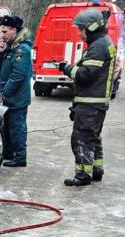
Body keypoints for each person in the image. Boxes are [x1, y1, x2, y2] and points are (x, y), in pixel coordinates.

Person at [59, 9, 115, 186]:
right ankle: (96, 169)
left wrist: (66, 68)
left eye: (81, 30)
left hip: (91, 103)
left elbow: (84, 75)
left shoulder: (98, 46)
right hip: (96, 103)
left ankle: (83, 175)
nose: (79, 34)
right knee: (93, 138)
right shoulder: (102, 43)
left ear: (91, 28)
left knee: (81, 139)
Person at [0, 15, 33, 167]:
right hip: (9, 97)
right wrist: (0, 54)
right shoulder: (10, 47)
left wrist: (4, 92)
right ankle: (8, 152)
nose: (2, 35)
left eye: (5, 32)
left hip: (17, 98)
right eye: (0, 31)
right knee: (7, 126)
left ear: (14, 31)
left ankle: (20, 156)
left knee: (17, 127)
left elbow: (18, 75)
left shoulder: (22, 49)